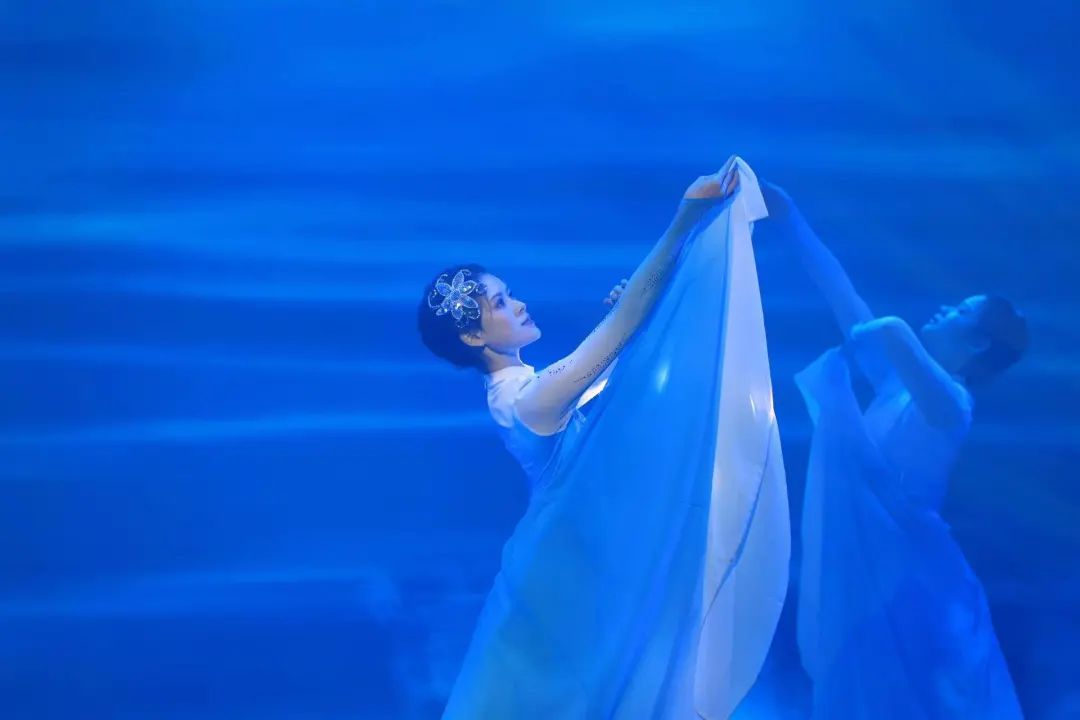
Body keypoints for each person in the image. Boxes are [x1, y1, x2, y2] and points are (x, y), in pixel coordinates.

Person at [417, 157, 791, 719]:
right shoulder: (525, 401)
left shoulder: (524, 392)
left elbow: (615, 371)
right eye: (500, 303)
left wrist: (641, 315)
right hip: (561, 589)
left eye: (509, 294)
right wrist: (683, 223)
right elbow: (616, 335)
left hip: (570, 575)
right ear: (473, 336)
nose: (518, 304)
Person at [761, 181, 1028, 718]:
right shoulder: (896, 386)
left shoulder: (951, 406)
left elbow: (887, 330)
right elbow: (843, 296)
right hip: (868, 572)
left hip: (914, 583)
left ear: (977, 342)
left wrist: (884, 326)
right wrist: (791, 218)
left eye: (960, 311)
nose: (944, 309)